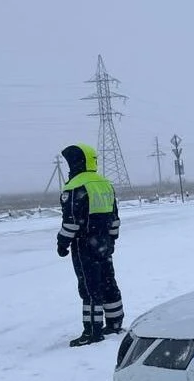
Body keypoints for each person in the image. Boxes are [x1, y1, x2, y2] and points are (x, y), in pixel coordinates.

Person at [56, 143, 124, 347]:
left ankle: (92, 332)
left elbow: (72, 222)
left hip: (84, 245)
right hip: (103, 243)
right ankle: (114, 323)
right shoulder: (104, 184)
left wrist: (62, 242)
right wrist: (111, 239)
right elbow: (115, 218)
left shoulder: (75, 186)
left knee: (89, 287)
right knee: (108, 283)